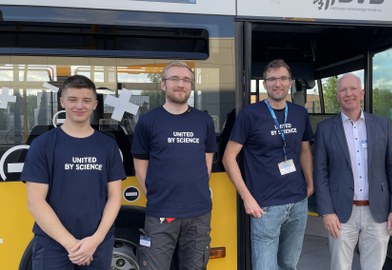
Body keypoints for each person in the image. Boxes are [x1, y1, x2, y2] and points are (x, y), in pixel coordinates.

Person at [22, 75, 125, 269]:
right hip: (53, 244)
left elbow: (115, 197)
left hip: (97, 244)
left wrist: (95, 240)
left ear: (95, 104)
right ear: (62, 101)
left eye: (86, 100)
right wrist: (72, 245)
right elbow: (35, 202)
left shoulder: (108, 146)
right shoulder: (43, 145)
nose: (80, 106)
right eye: (73, 99)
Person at [223, 59, 314, 270]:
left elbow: (305, 150)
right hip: (265, 206)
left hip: (298, 202)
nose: (277, 83)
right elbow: (229, 158)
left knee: (289, 264)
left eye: (282, 78)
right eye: (272, 79)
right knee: (265, 267)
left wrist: (310, 185)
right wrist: (248, 199)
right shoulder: (250, 114)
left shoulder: (300, 113)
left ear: (290, 82)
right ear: (264, 84)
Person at [314, 73, 392, 270]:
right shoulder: (325, 129)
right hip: (340, 214)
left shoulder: (382, 125)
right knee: (340, 266)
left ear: (362, 93)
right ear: (337, 96)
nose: (349, 94)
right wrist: (327, 212)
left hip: (378, 212)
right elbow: (320, 174)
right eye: (343, 90)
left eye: (353, 89)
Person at [132, 61, 216, 270]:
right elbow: (140, 167)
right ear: (163, 85)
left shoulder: (203, 120)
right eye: (175, 79)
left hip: (199, 213)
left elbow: (207, 161)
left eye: (186, 80)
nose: (181, 84)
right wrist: (153, 196)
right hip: (161, 213)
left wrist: (201, 189)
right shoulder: (148, 121)